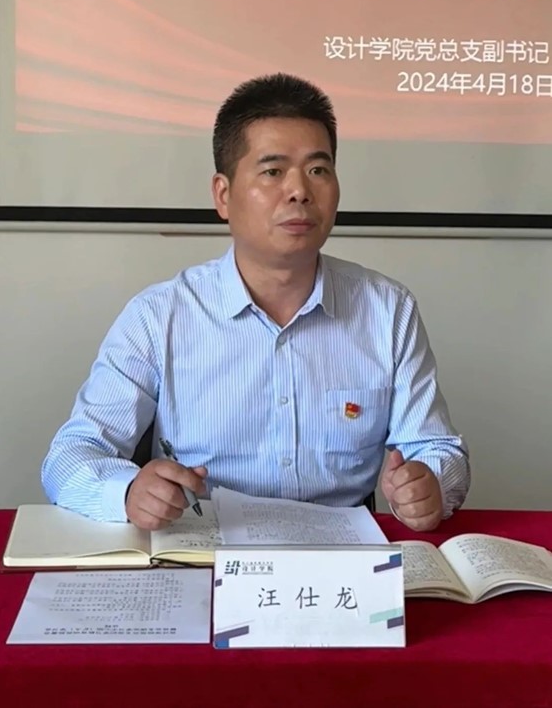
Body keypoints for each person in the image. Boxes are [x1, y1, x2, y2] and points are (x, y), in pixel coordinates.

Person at [42, 72, 470, 533]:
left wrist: (430, 483)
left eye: (318, 170)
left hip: (341, 554)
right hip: (203, 546)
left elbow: (436, 448)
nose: (300, 190)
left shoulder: (387, 310)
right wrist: (127, 491)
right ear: (223, 195)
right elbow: (70, 456)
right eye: (273, 171)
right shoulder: (159, 317)